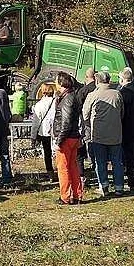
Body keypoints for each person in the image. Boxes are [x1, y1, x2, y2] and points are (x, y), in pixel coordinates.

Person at [82, 71, 125, 197]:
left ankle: (104, 186)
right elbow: (122, 112)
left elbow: (85, 114)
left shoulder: (93, 95)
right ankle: (119, 187)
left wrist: (90, 125)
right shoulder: (117, 94)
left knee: (100, 162)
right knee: (117, 162)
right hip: (115, 133)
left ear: (97, 81)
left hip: (98, 133)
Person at [53, 72, 83, 204]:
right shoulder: (73, 96)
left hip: (66, 138)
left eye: (56, 81)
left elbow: (66, 122)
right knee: (73, 167)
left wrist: (59, 141)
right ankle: (77, 195)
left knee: (63, 168)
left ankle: (65, 196)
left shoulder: (67, 99)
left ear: (61, 83)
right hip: (73, 136)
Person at [30, 82, 57, 175]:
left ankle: (50, 172)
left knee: (47, 153)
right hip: (56, 131)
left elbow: (35, 123)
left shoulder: (39, 105)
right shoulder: (57, 102)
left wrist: (33, 137)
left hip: (44, 131)